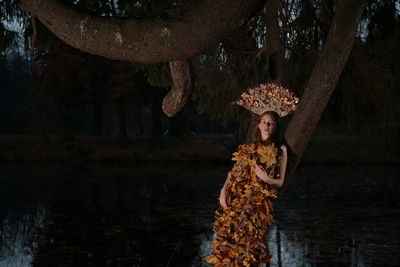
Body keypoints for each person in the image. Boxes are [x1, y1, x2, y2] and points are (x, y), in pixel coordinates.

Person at [206, 111, 288, 267]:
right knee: (228, 232)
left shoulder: (280, 149)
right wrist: (223, 191)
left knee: (249, 236)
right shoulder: (249, 149)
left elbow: (280, 181)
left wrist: (266, 179)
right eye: (264, 121)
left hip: (259, 199)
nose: (267, 125)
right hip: (239, 195)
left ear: (276, 126)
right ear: (258, 125)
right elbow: (233, 173)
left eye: (271, 122)